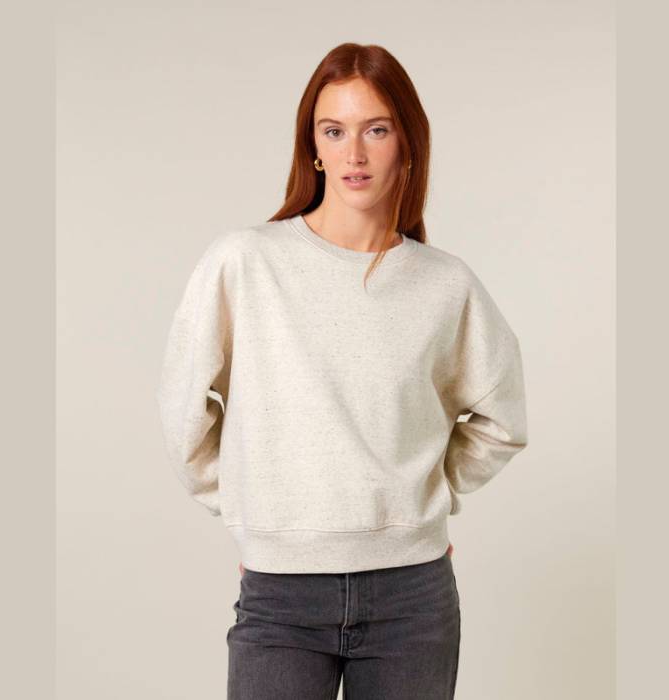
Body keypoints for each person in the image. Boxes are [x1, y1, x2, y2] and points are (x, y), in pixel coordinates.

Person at [155, 42, 528, 700]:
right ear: (314, 148)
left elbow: (503, 418)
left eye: (375, 130)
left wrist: (420, 503)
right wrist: (257, 515)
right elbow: (184, 406)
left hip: (413, 599)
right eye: (334, 131)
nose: (354, 153)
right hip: (280, 599)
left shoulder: (445, 284)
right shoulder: (245, 262)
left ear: (407, 144)